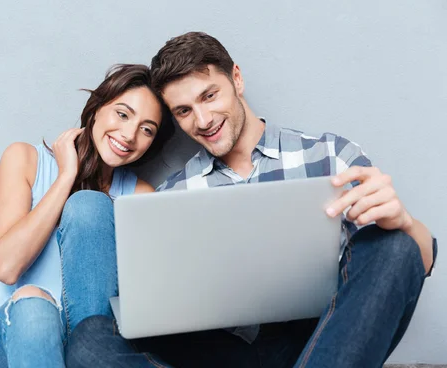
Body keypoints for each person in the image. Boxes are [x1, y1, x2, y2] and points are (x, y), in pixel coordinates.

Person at [66, 32, 438, 368]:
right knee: (89, 339)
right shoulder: (172, 197)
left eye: (209, 96)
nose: (204, 119)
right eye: (184, 111)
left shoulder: (330, 156)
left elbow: (409, 266)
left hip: (321, 338)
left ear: (237, 80)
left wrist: (404, 223)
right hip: (220, 349)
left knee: (396, 245)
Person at [0, 64, 174, 368]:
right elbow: (7, 267)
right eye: (122, 114)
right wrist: (66, 177)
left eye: (147, 129)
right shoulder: (25, 160)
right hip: (7, 344)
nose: (129, 135)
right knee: (35, 304)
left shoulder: (140, 196)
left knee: (90, 206)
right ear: (97, 109)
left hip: (91, 348)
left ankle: (88, 353)